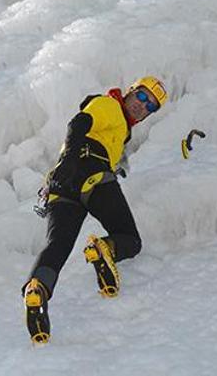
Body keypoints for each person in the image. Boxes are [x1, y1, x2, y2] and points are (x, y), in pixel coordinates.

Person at [23, 76, 168, 344]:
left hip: (61, 185)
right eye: (142, 96)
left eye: (151, 106)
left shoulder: (121, 128)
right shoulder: (108, 104)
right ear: (130, 92)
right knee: (129, 239)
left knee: (58, 245)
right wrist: (72, 160)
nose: (143, 106)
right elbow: (78, 124)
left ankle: (38, 289)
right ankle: (105, 249)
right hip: (89, 172)